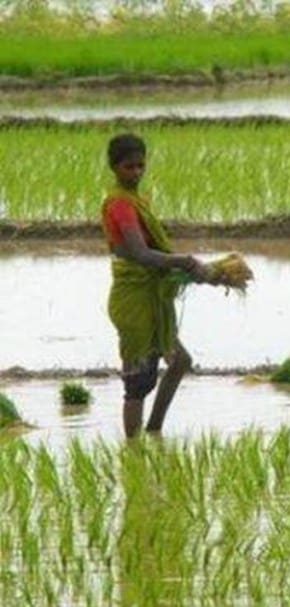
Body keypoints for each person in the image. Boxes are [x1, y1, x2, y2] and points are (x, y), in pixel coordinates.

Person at [101, 133, 214, 438]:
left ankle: (153, 430)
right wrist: (186, 262)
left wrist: (185, 267)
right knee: (137, 382)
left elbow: (150, 250)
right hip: (134, 298)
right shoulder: (120, 204)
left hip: (150, 292)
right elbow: (138, 253)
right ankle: (134, 450)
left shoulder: (138, 200)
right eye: (129, 167)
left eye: (140, 166)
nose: (136, 172)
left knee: (179, 361)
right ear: (114, 167)